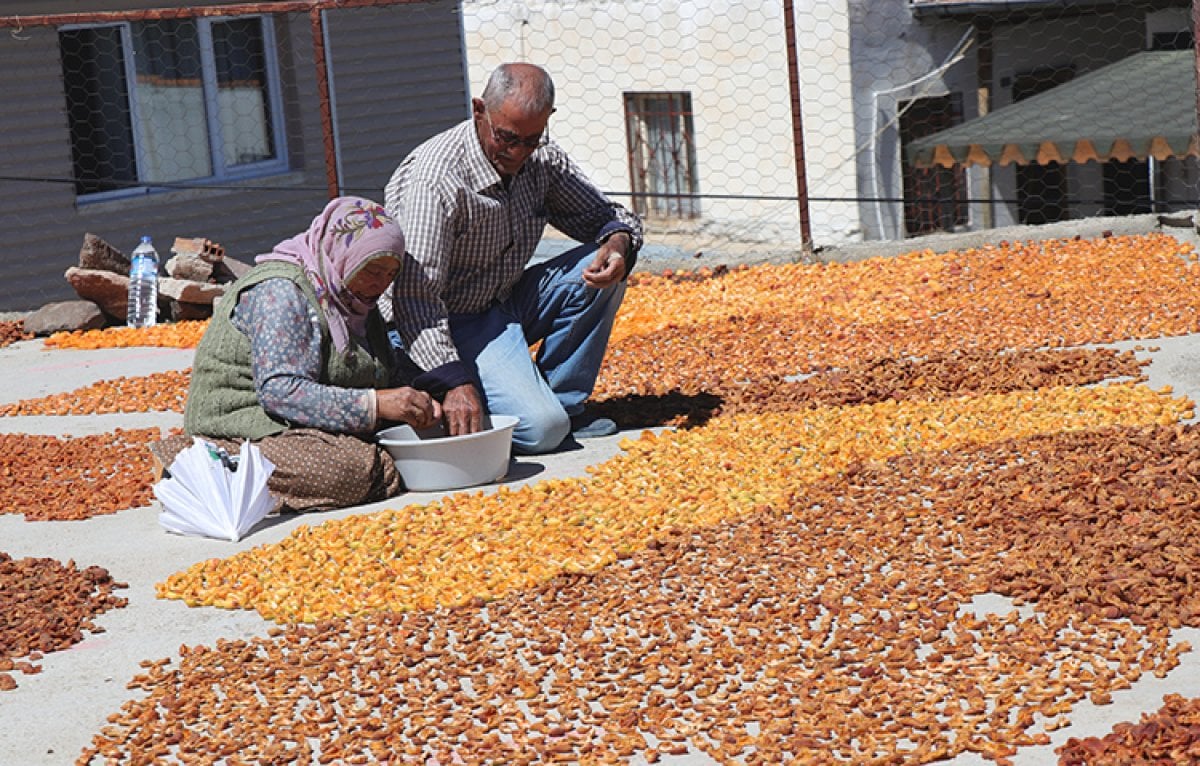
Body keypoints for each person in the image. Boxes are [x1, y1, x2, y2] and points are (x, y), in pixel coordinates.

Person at [382, 61, 644, 454]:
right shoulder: (435, 180)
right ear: (479, 111)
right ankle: (456, 401)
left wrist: (619, 243)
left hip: (499, 303)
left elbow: (608, 218)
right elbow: (414, 301)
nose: (518, 152)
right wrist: (452, 380)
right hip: (440, 322)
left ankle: (563, 404)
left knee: (604, 264)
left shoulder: (542, 159)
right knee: (540, 430)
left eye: (531, 139)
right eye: (506, 138)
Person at [149, 196, 442, 513]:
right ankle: (194, 464)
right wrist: (375, 404)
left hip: (303, 428)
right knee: (350, 470)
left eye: (390, 274)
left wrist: (426, 396)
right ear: (343, 254)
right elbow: (281, 392)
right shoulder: (281, 292)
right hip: (247, 427)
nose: (380, 284)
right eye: (372, 270)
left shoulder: (354, 301)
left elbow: (381, 370)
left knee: (391, 449)